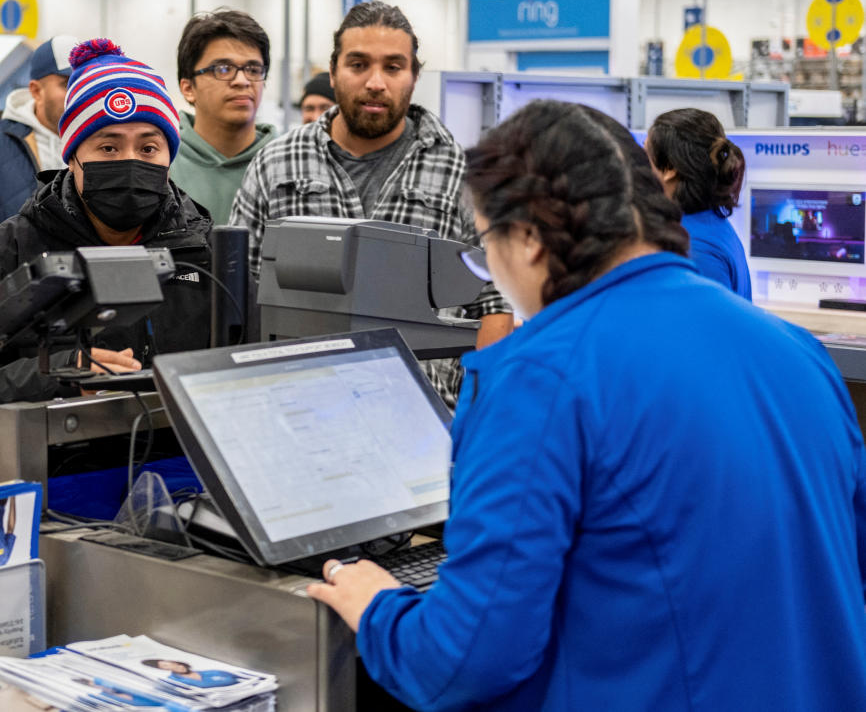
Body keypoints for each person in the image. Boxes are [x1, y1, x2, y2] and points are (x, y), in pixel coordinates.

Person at [308, 100, 866, 711]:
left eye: (484, 249)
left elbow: (462, 661)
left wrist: (377, 604)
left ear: (526, 239)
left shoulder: (540, 378)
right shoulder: (797, 355)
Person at [0, 39, 213, 483]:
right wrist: (59, 376)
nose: (130, 161)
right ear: (72, 155)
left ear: (170, 156)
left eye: (149, 148)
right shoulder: (8, 250)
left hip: (182, 481)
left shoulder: (204, 253)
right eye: (108, 148)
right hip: (48, 484)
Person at [230, 1, 512, 404]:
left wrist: (478, 410)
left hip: (425, 411)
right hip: (301, 405)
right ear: (332, 72)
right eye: (358, 65)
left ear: (414, 75)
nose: (376, 82)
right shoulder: (277, 163)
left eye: (393, 67)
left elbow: (493, 302)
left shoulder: (462, 173)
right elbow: (240, 290)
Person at [0, 35, 79, 255]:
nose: (78, 94)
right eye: (67, 84)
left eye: (84, 83)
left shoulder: (100, 149)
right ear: (36, 91)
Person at [169, 10, 277, 224]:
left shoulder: (286, 162)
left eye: (253, 69)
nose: (242, 81)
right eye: (223, 69)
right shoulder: (164, 163)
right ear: (188, 88)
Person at [646, 108, 751, 299]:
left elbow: (704, 325)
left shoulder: (695, 247)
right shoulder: (709, 225)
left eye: (646, 155)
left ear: (670, 168)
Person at [139, 659, 239, 689]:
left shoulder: (211, 672)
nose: (175, 665)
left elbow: (234, 678)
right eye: (166, 666)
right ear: (162, 669)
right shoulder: (172, 681)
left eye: (174, 663)